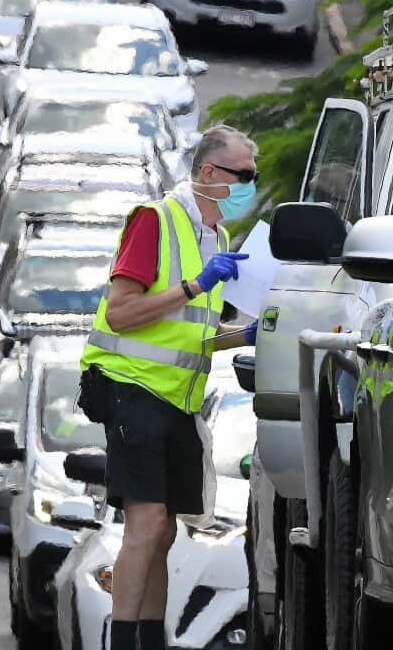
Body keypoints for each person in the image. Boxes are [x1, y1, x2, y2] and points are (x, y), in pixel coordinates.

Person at [78, 125, 260, 650]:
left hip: (176, 399)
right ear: (209, 173)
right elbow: (122, 311)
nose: (250, 185)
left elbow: (190, 335)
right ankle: (123, 641)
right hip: (130, 389)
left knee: (167, 529)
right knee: (147, 522)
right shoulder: (156, 221)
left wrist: (243, 334)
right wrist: (197, 284)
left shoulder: (217, 238)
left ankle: (150, 639)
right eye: (243, 175)